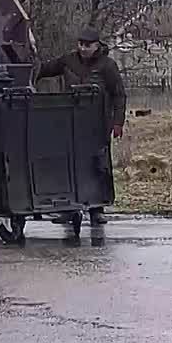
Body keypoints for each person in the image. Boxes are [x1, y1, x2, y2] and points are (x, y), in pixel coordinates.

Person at [36, 26, 127, 225]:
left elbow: (119, 95)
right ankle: (68, 209)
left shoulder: (107, 65)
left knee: (97, 165)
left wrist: (118, 122)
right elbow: (45, 69)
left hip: (97, 123)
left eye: (87, 45)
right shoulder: (68, 60)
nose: (83, 49)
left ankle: (97, 209)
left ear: (97, 45)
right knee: (67, 165)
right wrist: (30, 68)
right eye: (80, 44)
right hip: (69, 122)